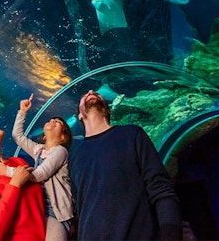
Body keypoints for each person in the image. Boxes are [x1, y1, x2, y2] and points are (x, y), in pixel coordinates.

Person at [69, 89, 182, 241]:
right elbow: (79, 207)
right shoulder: (75, 155)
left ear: (108, 110)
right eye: (84, 96)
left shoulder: (132, 134)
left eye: (95, 93)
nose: (90, 91)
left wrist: (171, 232)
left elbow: (160, 187)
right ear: (80, 116)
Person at [0, 94, 74, 241]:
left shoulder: (60, 151)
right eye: (51, 119)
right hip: (38, 208)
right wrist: (22, 112)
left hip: (56, 212)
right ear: (44, 137)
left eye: (58, 122)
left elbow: (40, 174)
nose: (52, 121)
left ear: (63, 137)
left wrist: (7, 171)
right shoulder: (40, 150)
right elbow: (18, 136)